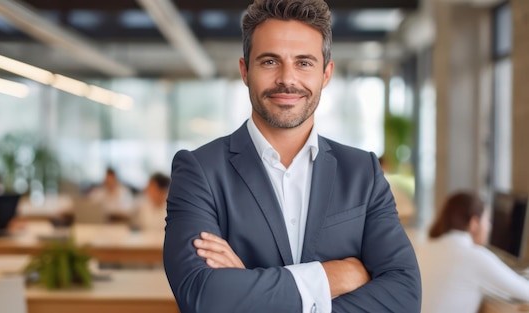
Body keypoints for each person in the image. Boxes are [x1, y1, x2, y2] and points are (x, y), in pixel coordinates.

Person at [163, 1, 421, 312]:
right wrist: (330, 277)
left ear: (326, 74)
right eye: (270, 62)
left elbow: (404, 295)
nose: (287, 79)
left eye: (304, 63)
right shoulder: (199, 171)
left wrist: (246, 286)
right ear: (245, 71)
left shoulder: (362, 172)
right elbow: (203, 296)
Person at [418, 191, 529, 313]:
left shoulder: (425, 247)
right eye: (487, 221)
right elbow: (526, 291)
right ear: (474, 223)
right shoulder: (474, 257)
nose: (489, 227)